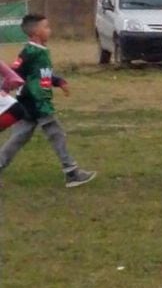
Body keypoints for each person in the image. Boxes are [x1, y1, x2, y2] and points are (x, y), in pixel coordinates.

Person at [0, 14, 96, 187]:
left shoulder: (41, 51)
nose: (49, 30)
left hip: (30, 102)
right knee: (56, 134)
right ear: (36, 32)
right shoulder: (29, 51)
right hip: (37, 102)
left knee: (18, 138)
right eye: (46, 27)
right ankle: (72, 172)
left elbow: (42, 74)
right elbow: (15, 71)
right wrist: (4, 88)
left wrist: (58, 81)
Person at [0, 59, 28, 133]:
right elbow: (15, 78)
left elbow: (15, 79)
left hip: (10, 108)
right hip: (13, 107)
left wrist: (5, 89)